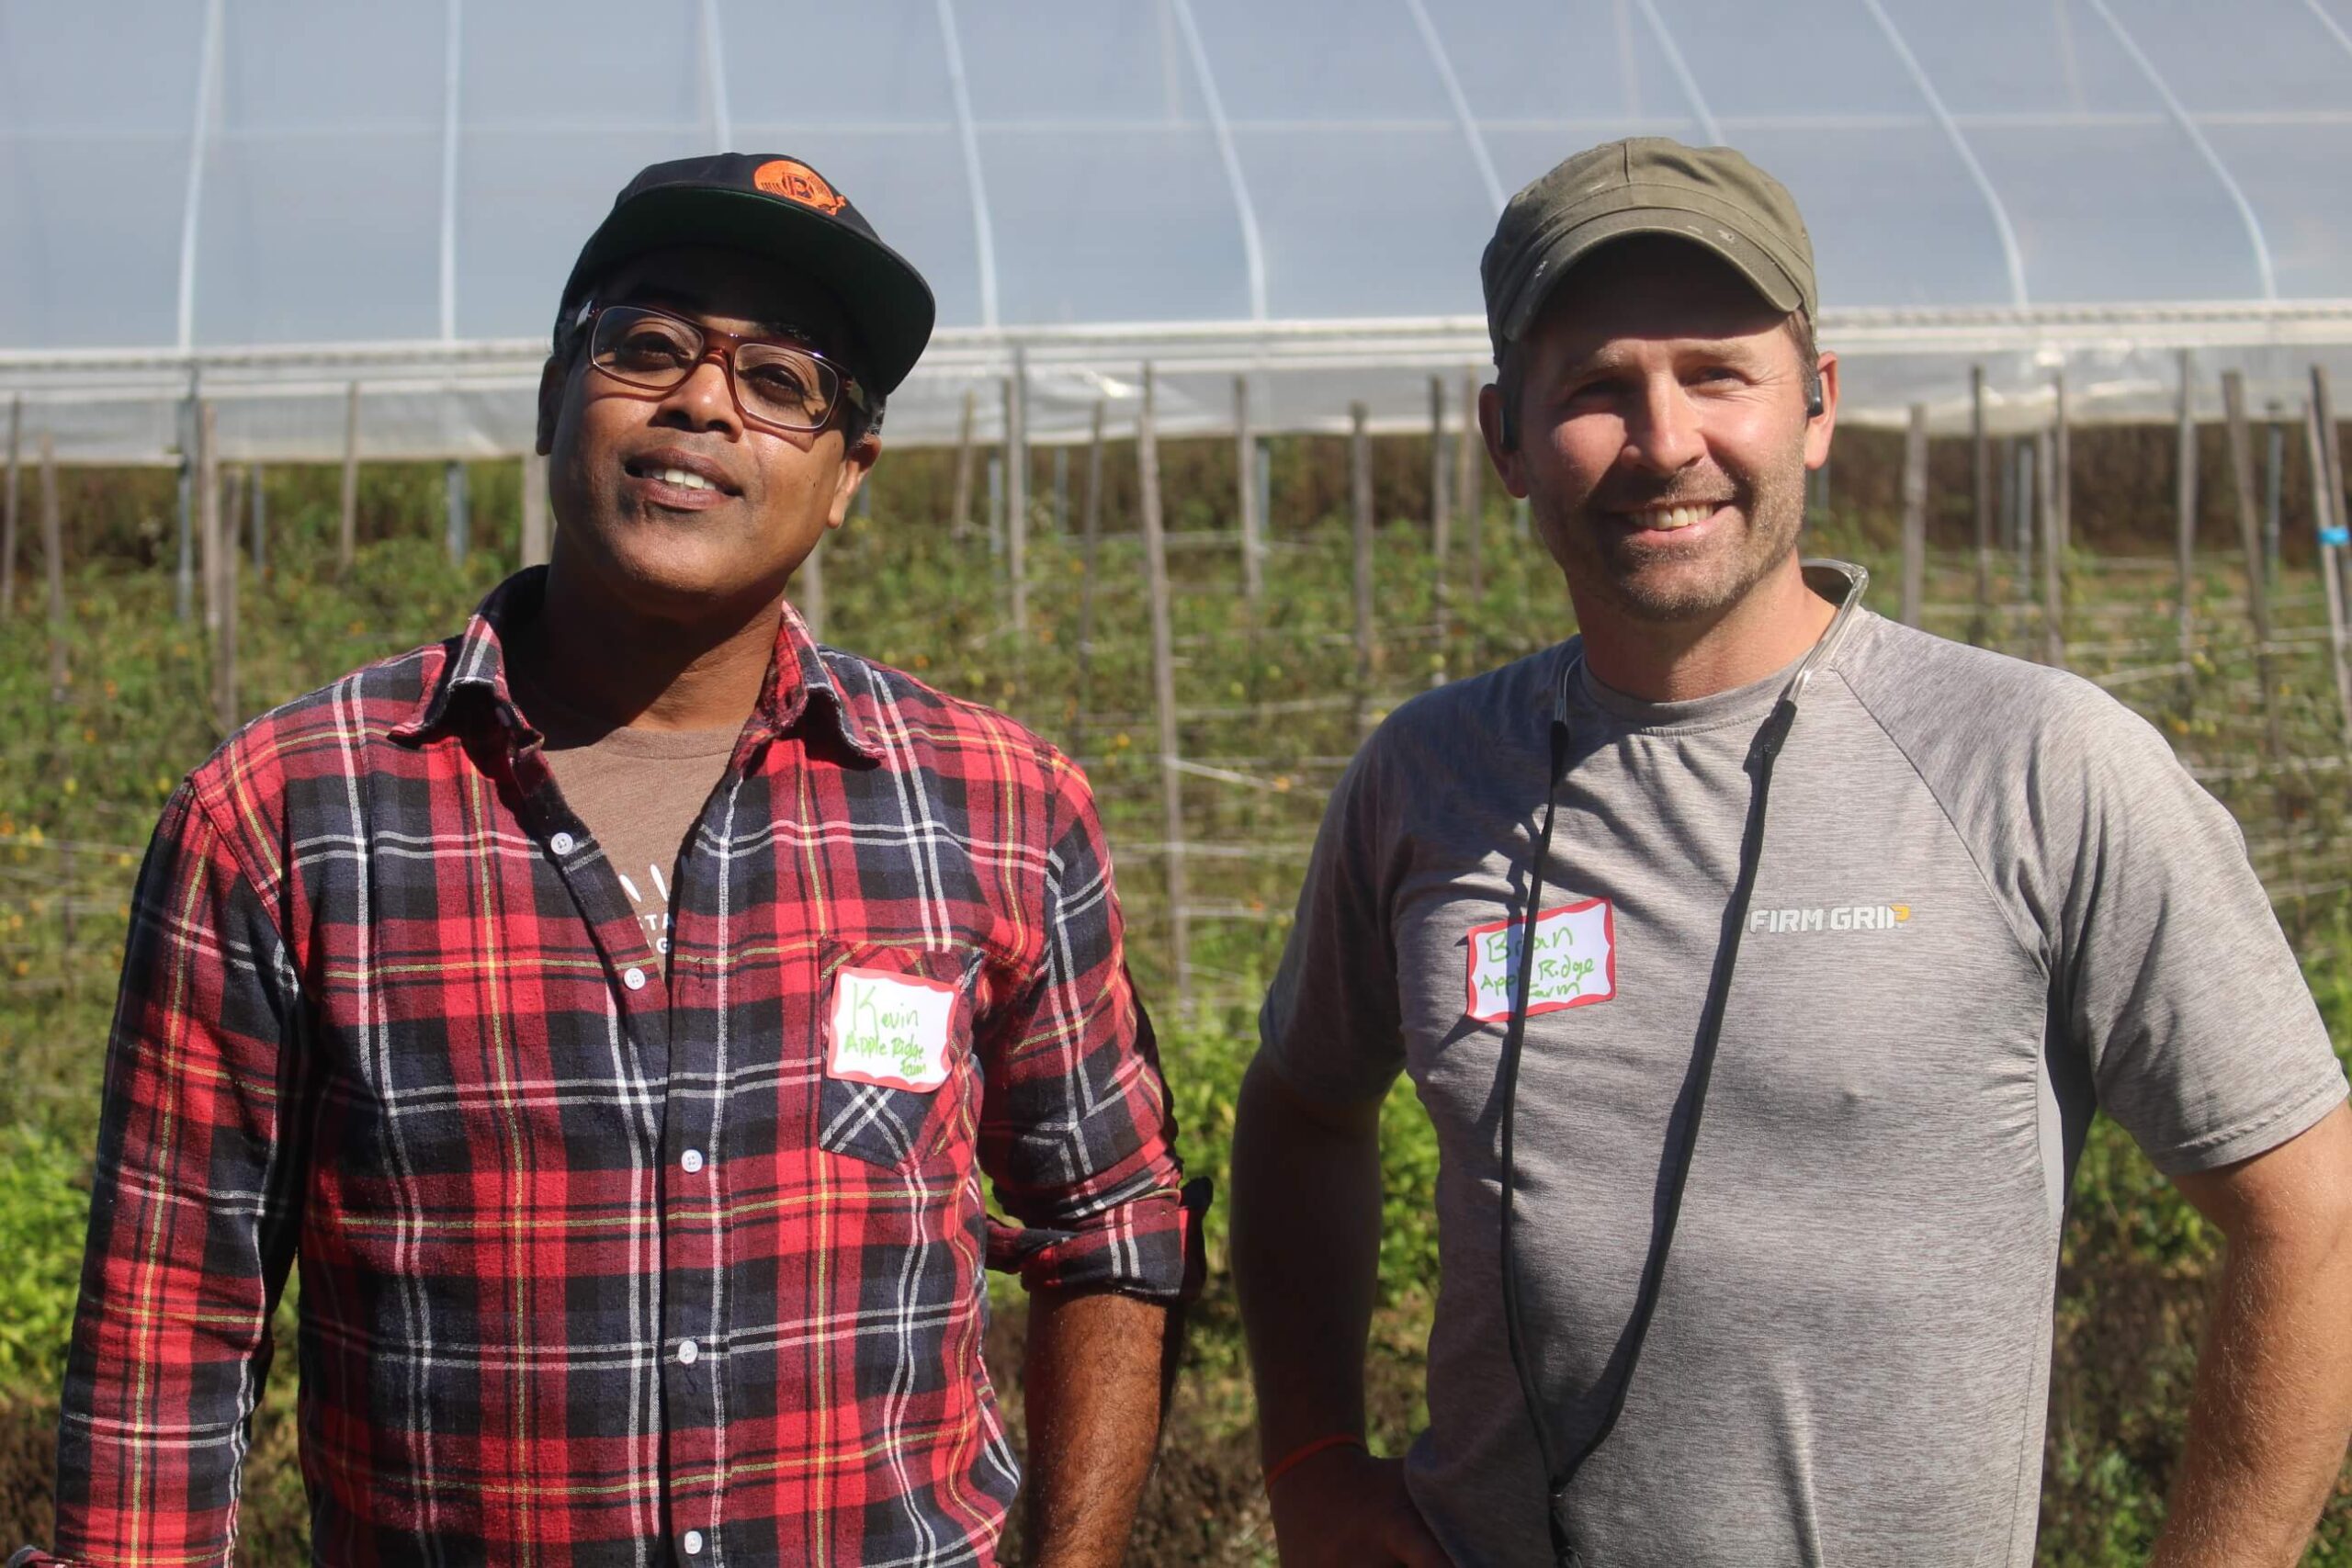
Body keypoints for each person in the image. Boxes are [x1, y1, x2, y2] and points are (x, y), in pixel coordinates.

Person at [23, 153, 1192, 1568]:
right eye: (648, 348)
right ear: (552, 401)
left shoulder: (994, 806)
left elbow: (1109, 1216)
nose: (703, 401)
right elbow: (171, 1322)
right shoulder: (289, 816)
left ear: (846, 480)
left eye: (781, 380)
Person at [1232, 137, 2352, 1567]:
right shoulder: (1430, 778)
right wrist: (1317, 1462)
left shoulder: (2032, 765)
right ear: (1504, 437)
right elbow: (1303, 1108)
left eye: (1717, 372)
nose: (1665, 440)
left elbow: (2308, 1209)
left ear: (1816, 408)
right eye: (1593, 389)